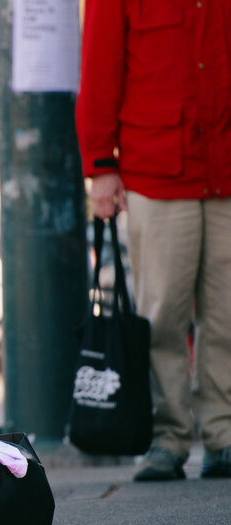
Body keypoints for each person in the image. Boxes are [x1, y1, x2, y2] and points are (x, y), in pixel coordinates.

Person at [75, 0, 231, 481]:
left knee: (226, 315)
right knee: (162, 317)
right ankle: (170, 437)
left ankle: (223, 436)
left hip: (224, 169)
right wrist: (100, 165)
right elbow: (100, 68)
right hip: (157, 171)